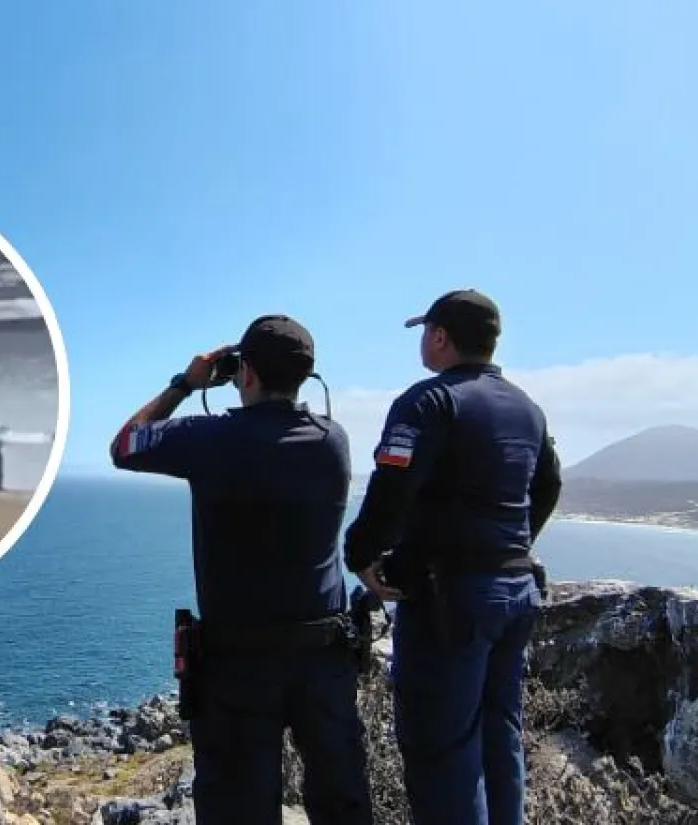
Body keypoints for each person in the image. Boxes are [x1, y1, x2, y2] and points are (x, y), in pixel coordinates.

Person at [109, 315, 373, 825]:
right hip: (323, 659)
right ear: (305, 377)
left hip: (238, 665)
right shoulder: (332, 440)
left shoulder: (210, 439)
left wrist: (185, 384)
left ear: (244, 373)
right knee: (343, 805)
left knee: (236, 810)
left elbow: (125, 445)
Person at [343, 290, 562, 825]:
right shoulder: (526, 407)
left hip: (452, 602)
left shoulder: (427, 401)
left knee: (442, 751)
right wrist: (511, 545)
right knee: (498, 738)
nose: (423, 340)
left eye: (426, 331)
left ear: (440, 337)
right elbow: (550, 485)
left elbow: (392, 486)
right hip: (514, 594)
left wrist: (362, 554)